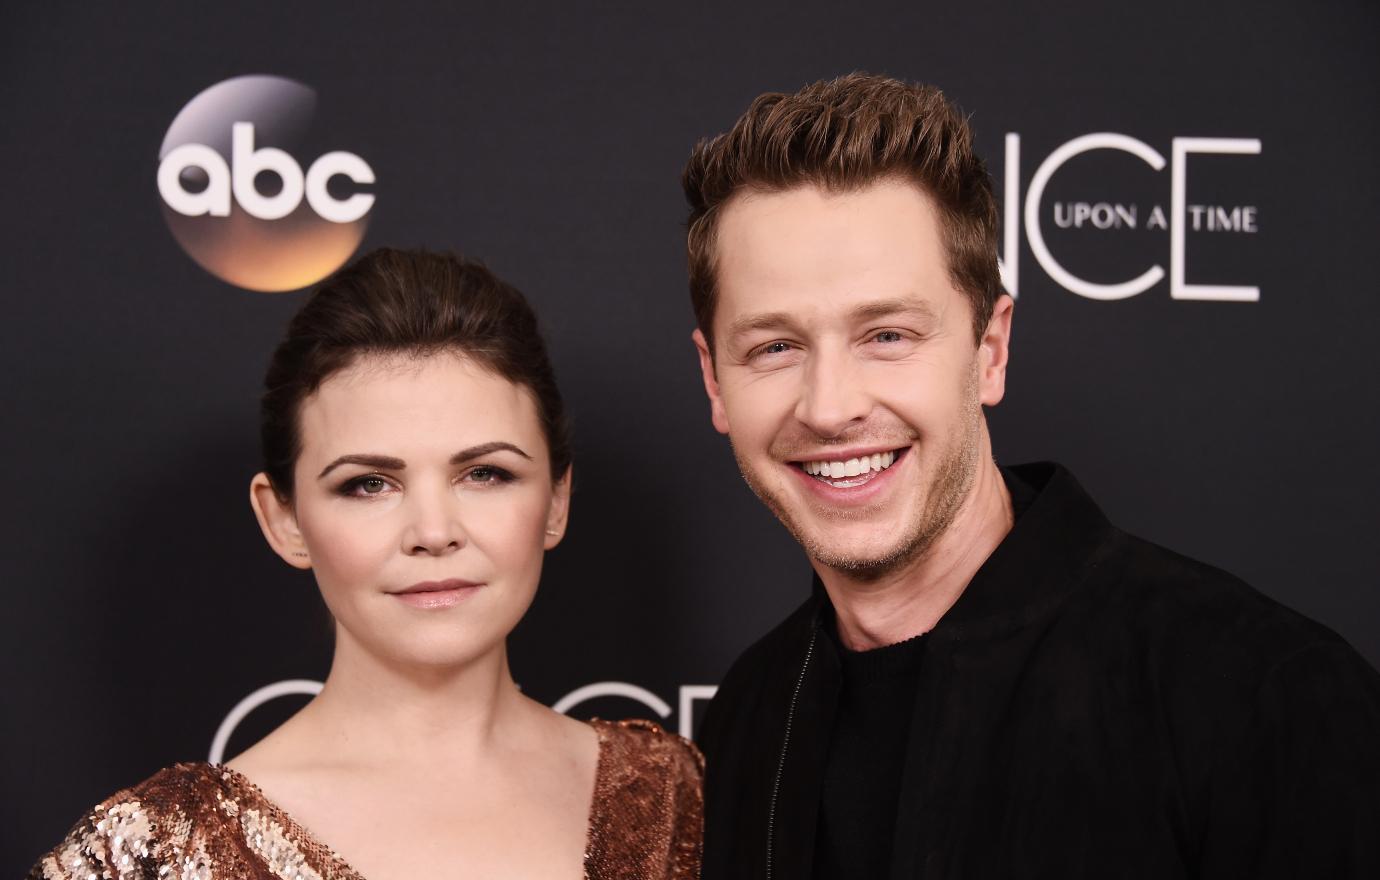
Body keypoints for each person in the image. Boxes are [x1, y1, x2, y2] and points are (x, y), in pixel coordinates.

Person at [682, 73, 1380, 878]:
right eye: (775, 347)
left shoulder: (1264, 696)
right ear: (715, 382)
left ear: (990, 350)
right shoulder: (752, 715)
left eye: (888, 335)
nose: (830, 407)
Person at [30, 248, 702, 880]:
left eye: (485, 474)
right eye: (368, 484)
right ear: (283, 519)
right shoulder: (159, 855)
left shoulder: (676, 797)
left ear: (556, 501)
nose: (434, 532)